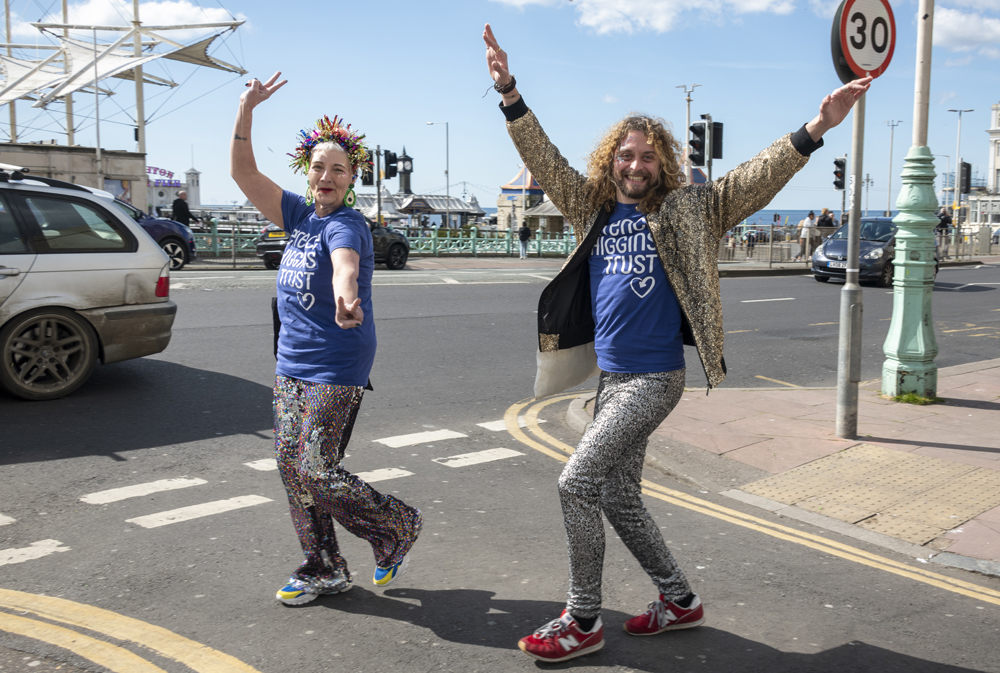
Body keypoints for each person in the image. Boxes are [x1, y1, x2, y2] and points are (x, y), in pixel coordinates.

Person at [483, 23, 870, 664]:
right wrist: (509, 93)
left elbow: (750, 181)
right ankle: (679, 599)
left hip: (654, 379)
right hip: (611, 380)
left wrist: (814, 128)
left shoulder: (688, 209)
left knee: (576, 483)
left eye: (647, 156)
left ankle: (583, 620)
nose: (636, 165)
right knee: (617, 493)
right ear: (612, 161)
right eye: (625, 156)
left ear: (662, 162)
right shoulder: (593, 207)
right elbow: (545, 160)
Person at [230, 72, 422, 606]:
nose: (327, 176)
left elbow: (346, 263)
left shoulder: (347, 225)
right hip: (290, 363)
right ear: (307, 173)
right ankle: (324, 567)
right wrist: (246, 109)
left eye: (338, 169)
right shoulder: (297, 215)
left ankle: (395, 524)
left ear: (351, 177)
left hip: (337, 363)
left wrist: (346, 294)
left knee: (315, 466)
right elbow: (242, 172)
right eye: (319, 167)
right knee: (292, 468)